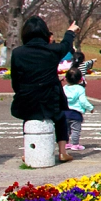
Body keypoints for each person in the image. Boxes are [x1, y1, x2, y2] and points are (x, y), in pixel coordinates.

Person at [10, 15, 79, 164]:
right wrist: (70, 31)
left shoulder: (17, 53)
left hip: (27, 99)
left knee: (28, 119)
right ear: (44, 33)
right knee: (60, 117)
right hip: (50, 99)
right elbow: (66, 45)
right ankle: (62, 152)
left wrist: (21, 92)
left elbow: (15, 80)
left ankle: (28, 151)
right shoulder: (52, 50)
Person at [63, 67, 93, 151]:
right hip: (75, 113)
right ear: (80, 80)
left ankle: (66, 143)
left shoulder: (64, 88)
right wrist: (91, 108)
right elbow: (83, 101)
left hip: (64, 112)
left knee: (66, 129)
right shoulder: (80, 89)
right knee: (75, 130)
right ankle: (75, 144)